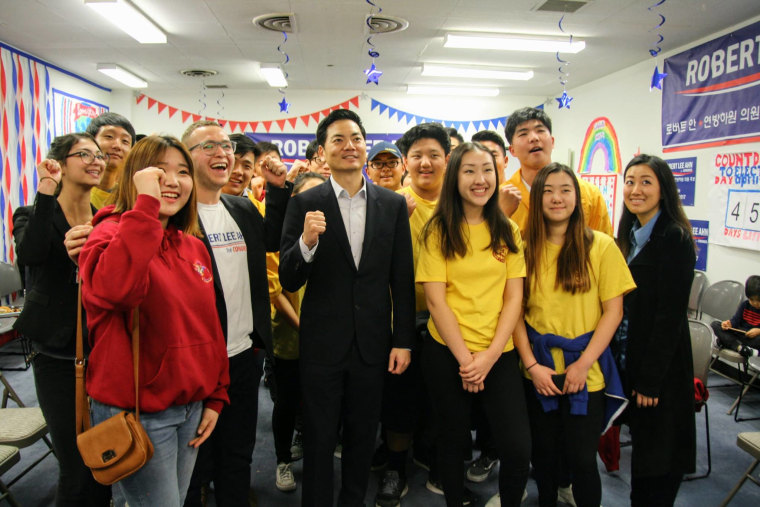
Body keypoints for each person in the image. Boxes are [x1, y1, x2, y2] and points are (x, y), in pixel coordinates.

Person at [78, 135, 230, 506]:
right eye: (159, 172)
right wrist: (144, 206)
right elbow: (117, 290)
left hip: (191, 405)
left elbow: (208, 328)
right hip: (138, 411)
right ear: (135, 177)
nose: (173, 181)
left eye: (182, 172)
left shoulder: (191, 244)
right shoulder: (107, 235)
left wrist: (215, 395)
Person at [279, 109, 415, 506]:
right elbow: (289, 279)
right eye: (338, 139)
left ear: (365, 146)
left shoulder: (392, 205)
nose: (349, 145)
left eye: (355, 138)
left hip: (373, 345)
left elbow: (401, 279)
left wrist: (402, 340)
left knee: (361, 435)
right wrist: (306, 242)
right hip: (322, 345)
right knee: (320, 439)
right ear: (323, 152)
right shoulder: (305, 202)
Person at [181, 120, 290, 507]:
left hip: (243, 354)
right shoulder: (176, 215)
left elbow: (275, 240)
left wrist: (277, 191)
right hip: (196, 361)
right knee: (194, 459)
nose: (222, 153)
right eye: (207, 146)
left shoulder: (241, 207)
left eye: (225, 146)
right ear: (185, 158)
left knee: (238, 452)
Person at [416, 141, 530, 507]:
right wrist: (467, 360)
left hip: (498, 353)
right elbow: (436, 300)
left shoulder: (508, 230)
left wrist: (490, 356)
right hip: (448, 352)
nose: (480, 179)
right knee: (452, 443)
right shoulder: (437, 229)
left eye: (487, 170)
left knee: (517, 446)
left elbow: (514, 297)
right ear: (455, 177)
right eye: (469, 171)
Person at [514, 162, 634, 507]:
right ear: (536, 200)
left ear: (578, 198)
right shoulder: (523, 247)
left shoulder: (601, 246)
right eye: (547, 191)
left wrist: (583, 364)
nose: (556, 198)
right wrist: (532, 366)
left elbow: (614, 311)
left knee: (582, 461)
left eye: (565, 190)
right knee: (545, 459)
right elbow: (515, 315)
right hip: (539, 370)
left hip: (587, 369)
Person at [12, 133, 111, 507]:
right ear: (60, 163)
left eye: (98, 155)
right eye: (83, 154)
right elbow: (32, 255)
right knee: (73, 460)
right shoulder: (34, 213)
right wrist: (46, 192)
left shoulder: (107, 219)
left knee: (106, 451)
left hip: (104, 347)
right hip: (57, 352)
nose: (95, 160)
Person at [375, 122, 454, 506]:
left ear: (447, 159)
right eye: (417, 156)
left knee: (445, 399)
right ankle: (395, 466)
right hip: (401, 321)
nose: (426, 163)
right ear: (406, 162)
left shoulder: (463, 205)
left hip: (453, 324)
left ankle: (439, 461)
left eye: (434, 155)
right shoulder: (391, 204)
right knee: (399, 399)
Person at [617, 154, 697, 506]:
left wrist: (649, 380)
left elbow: (669, 318)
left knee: (659, 464)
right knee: (645, 459)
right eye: (631, 181)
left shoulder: (674, 238)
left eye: (646, 181)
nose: (636, 189)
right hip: (632, 360)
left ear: (663, 189)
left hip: (660, 372)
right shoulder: (629, 235)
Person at [267, 172, 327, 492]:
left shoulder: (335, 234)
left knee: (317, 401)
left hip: (325, 342)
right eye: (308, 198)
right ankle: (282, 460)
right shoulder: (283, 235)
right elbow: (277, 291)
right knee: (287, 400)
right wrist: (305, 329)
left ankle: (308, 445)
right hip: (292, 337)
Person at [500, 107, 612, 237]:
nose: (534, 138)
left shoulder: (588, 194)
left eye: (540, 130)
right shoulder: (501, 197)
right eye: (523, 133)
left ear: (552, 142)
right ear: (512, 150)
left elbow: (604, 246)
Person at [85, 112, 136, 208]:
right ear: (90, 141)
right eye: (109, 137)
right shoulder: (76, 191)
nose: (117, 145)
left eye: (125, 141)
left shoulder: (130, 198)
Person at [711, 275, 760, 357]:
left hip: (753, 340)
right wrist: (728, 324)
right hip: (740, 335)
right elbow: (735, 322)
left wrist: (758, 331)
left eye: (759, 300)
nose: (755, 303)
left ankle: (727, 343)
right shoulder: (745, 305)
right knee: (715, 324)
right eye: (752, 300)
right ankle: (740, 347)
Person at [222, 133, 261, 199]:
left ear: (254, 171)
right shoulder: (199, 202)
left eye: (247, 166)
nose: (238, 171)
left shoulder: (258, 208)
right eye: (233, 163)